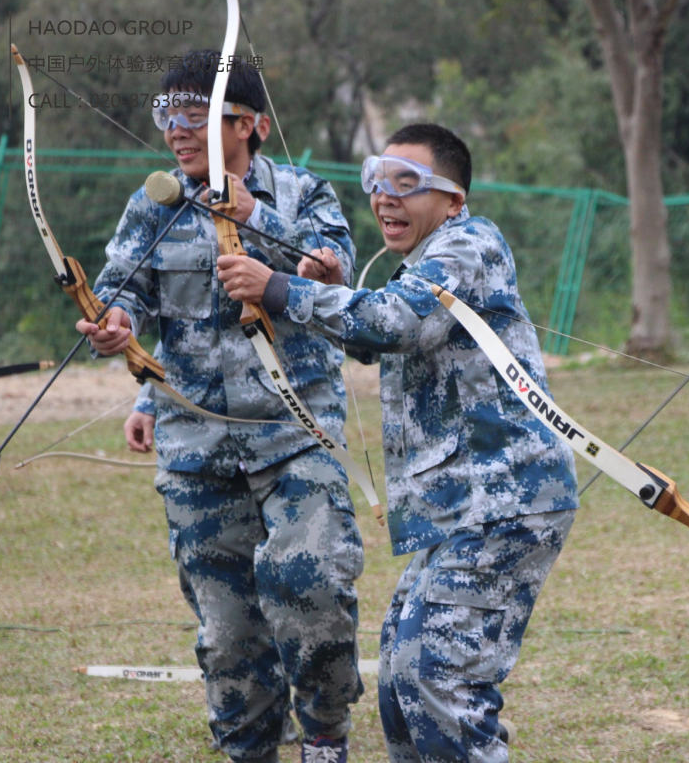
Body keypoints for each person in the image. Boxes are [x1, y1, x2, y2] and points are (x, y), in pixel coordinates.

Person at [218, 122, 579, 762]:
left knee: (437, 674)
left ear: (453, 199)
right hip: (461, 506)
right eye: (376, 182)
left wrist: (276, 286)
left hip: (505, 497)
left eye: (406, 184)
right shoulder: (423, 262)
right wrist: (328, 288)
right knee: (403, 680)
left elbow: (395, 322)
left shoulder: (468, 243)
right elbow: (372, 331)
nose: (385, 197)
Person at [77, 51, 363, 763]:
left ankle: (325, 734)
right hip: (196, 448)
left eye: (196, 114)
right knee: (228, 631)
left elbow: (337, 274)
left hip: (295, 433)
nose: (176, 130)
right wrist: (114, 326)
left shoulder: (303, 193)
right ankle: (247, 747)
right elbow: (124, 293)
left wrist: (260, 224)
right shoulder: (154, 202)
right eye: (166, 114)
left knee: (313, 588)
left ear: (252, 124)